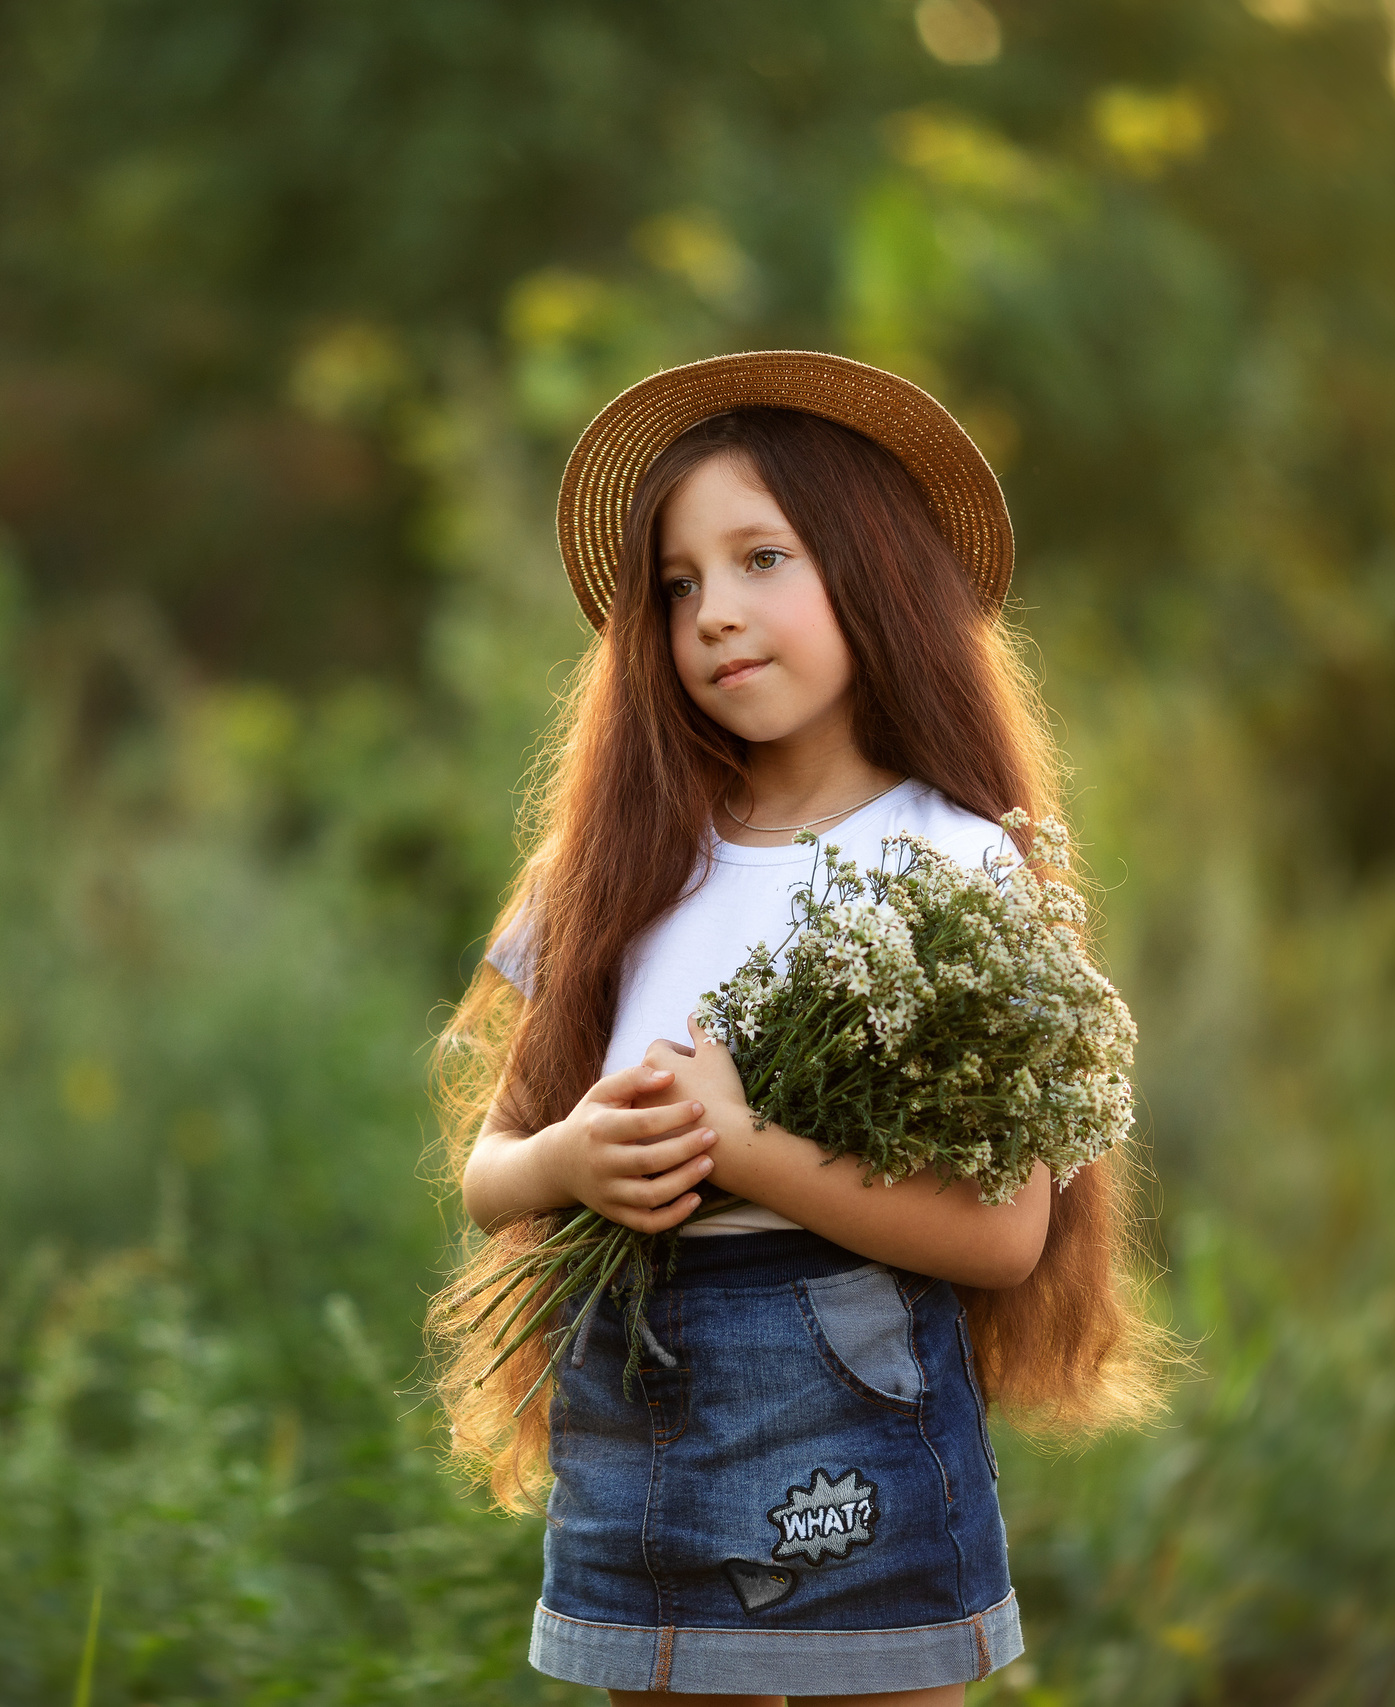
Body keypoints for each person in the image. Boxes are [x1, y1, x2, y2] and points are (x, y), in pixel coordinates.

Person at [431, 353, 1168, 1706]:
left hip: (858, 1406)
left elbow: (1005, 1235)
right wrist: (570, 1166)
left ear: (870, 569)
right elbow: (494, 1168)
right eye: (679, 583)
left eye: (761, 557)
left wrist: (747, 1149)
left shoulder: (956, 865)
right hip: (636, 1394)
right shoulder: (609, 870)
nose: (715, 613)